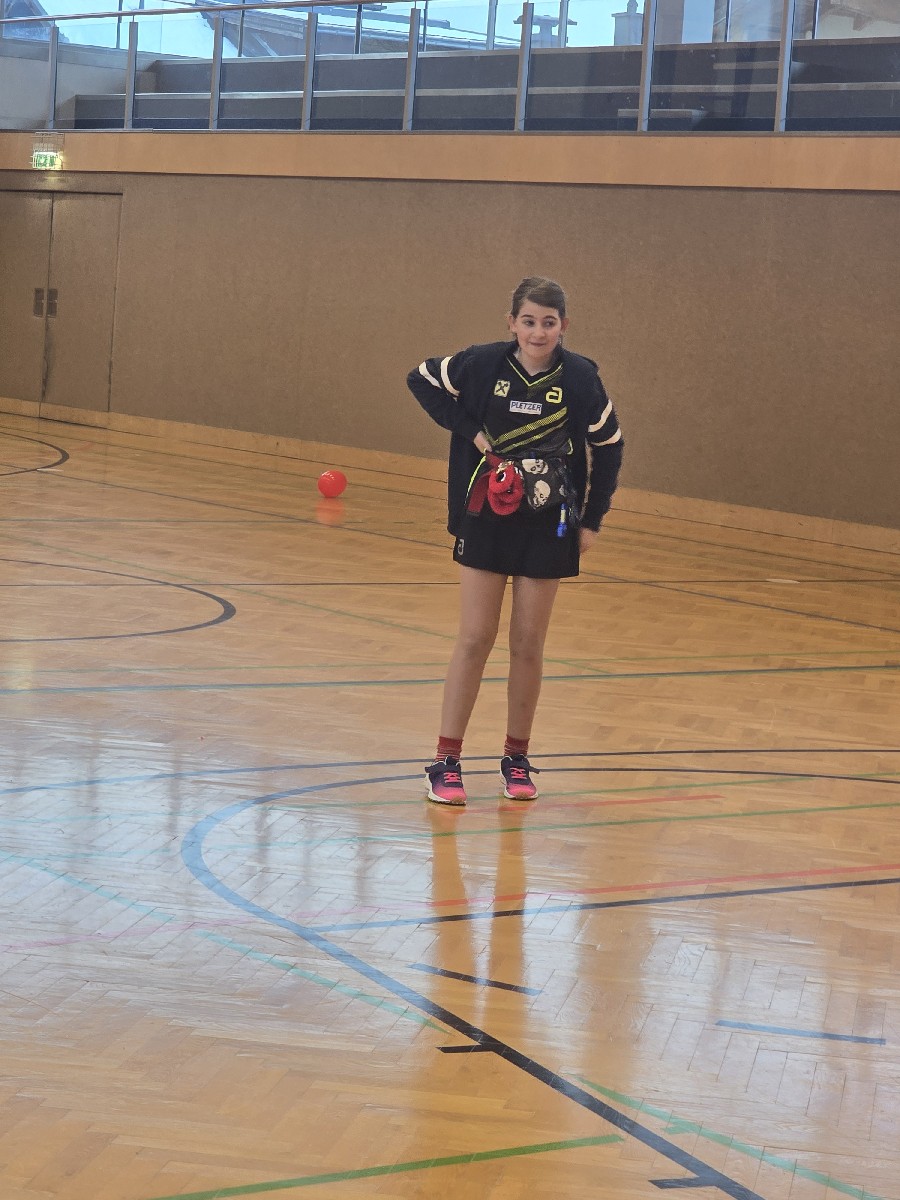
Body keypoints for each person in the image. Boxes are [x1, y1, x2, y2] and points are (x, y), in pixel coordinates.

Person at [407, 276, 623, 807]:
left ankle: (516, 758)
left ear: (563, 326)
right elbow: (420, 379)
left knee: (528, 642)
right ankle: (446, 761)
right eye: (528, 321)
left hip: (549, 525)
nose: (538, 332)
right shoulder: (481, 364)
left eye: (548, 323)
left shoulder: (580, 378)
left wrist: (591, 521)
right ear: (512, 323)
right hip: (485, 517)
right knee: (475, 637)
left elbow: (610, 446)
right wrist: (471, 431)